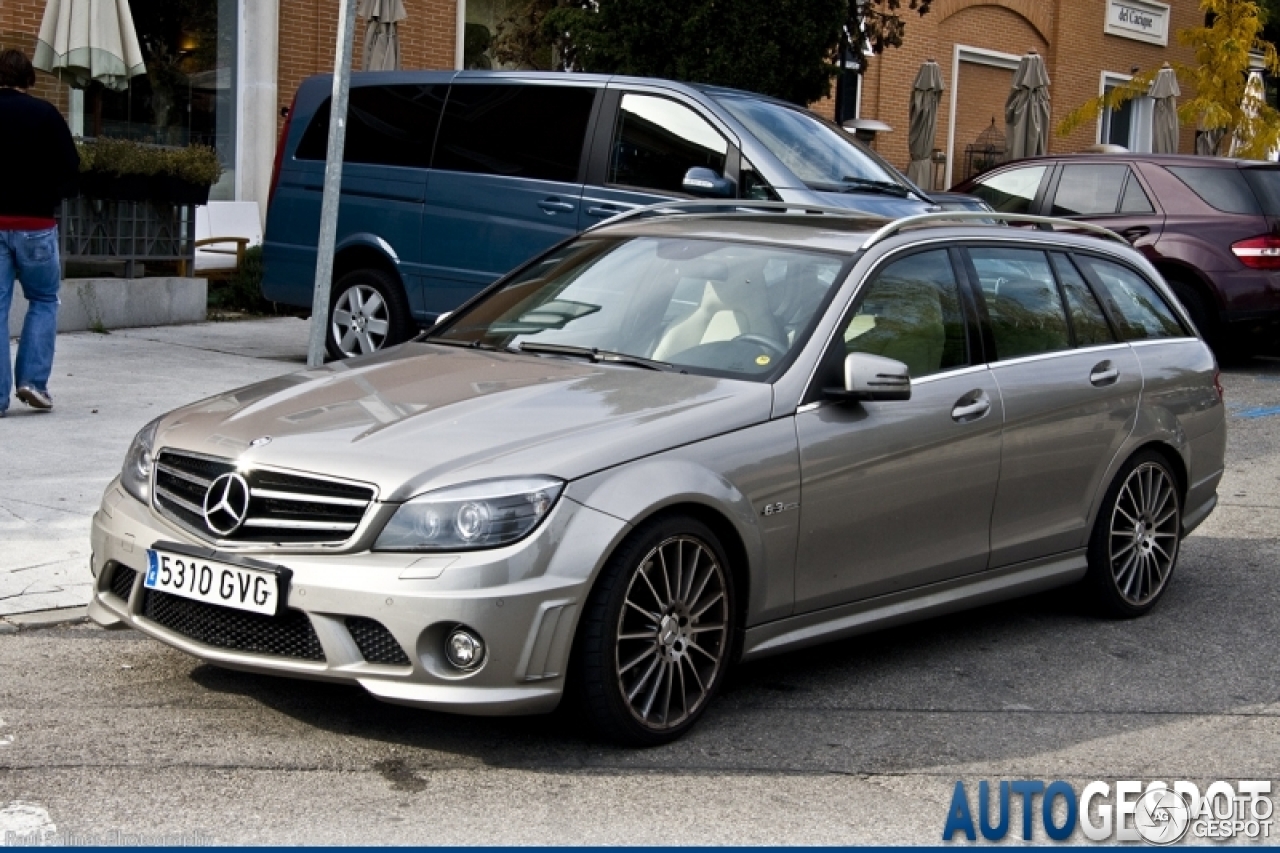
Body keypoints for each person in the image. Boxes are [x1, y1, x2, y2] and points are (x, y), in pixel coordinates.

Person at [0, 48, 79, 416]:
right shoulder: (44, 114)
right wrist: (49, 195)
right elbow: (71, 166)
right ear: (28, 79)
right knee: (44, 300)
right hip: (36, 225)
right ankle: (32, 382)